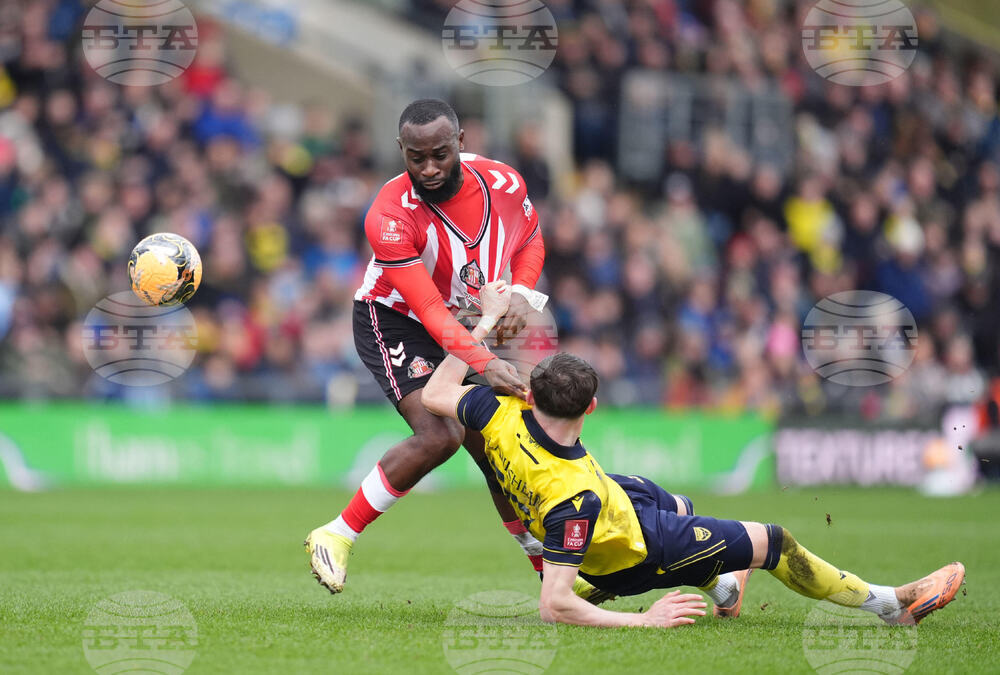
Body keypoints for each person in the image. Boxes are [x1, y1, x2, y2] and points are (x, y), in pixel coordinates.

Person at [422, 281, 966, 627]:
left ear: (530, 393)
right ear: (592, 410)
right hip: (633, 552)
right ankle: (891, 605)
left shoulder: (496, 412)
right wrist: (647, 622)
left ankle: (724, 586)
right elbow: (553, 606)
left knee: (675, 503)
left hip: (616, 498)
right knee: (770, 541)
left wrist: (485, 323)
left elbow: (434, 394)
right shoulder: (574, 501)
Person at [305, 99, 556, 596]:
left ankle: (550, 575)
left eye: (440, 154)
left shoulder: (505, 184)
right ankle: (336, 533)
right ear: (401, 151)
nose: (429, 168)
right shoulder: (390, 214)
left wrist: (521, 295)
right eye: (415, 157)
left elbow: (531, 239)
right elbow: (431, 313)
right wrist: (488, 363)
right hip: (396, 319)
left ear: (461, 142)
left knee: (498, 450)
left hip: (469, 323)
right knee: (442, 434)